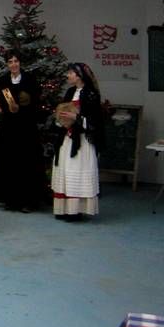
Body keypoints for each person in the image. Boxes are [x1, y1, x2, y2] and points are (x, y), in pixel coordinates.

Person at [0, 53, 45, 213]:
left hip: (26, 127)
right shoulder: (4, 80)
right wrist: (5, 108)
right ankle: (10, 199)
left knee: (27, 161)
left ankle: (28, 201)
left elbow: (35, 100)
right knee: (7, 160)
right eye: (10, 62)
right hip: (9, 126)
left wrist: (23, 106)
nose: (13, 64)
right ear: (7, 64)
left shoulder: (30, 79)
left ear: (20, 62)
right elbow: (3, 101)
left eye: (16, 61)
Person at [51, 62, 103, 221]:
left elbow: (96, 121)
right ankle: (63, 209)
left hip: (81, 141)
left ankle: (76, 210)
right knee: (65, 170)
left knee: (76, 171)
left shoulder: (91, 94)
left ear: (79, 75)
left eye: (71, 73)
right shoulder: (70, 92)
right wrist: (60, 119)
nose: (68, 75)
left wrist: (77, 118)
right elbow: (63, 111)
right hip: (67, 138)